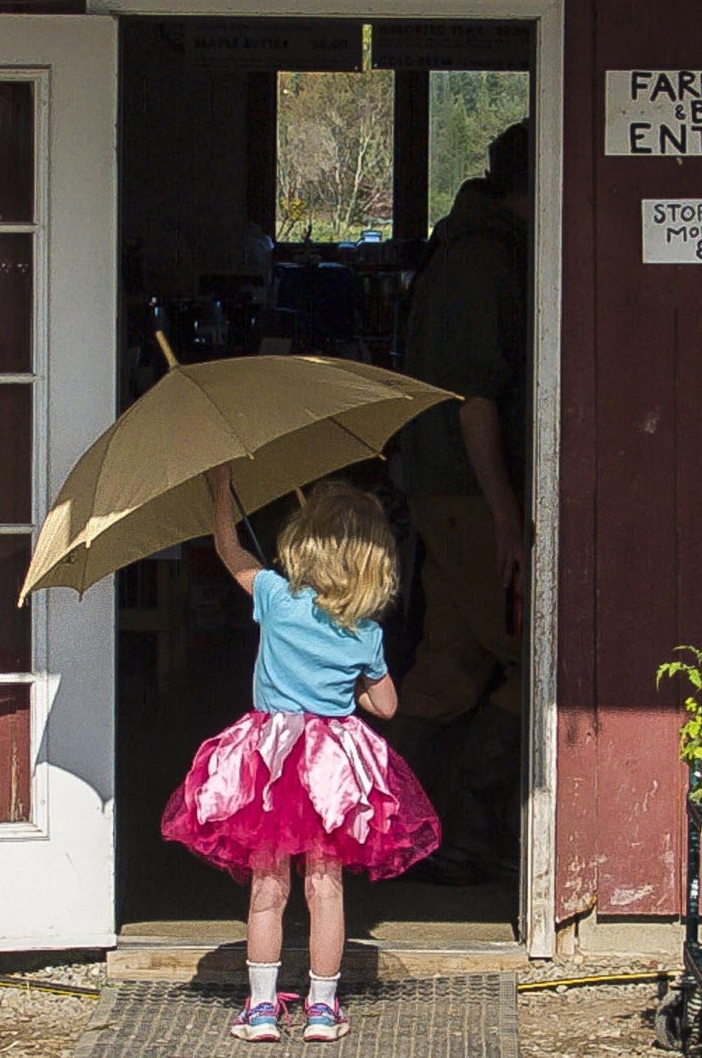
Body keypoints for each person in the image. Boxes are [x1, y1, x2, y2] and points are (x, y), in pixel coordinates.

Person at [163, 468, 441, 1044]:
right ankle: (321, 1008)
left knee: (268, 888)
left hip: (269, 762)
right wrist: (355, 686)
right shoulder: (364, 632)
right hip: (330, 770)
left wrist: (222, 490)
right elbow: (386, 707)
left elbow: (228, 548)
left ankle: (262, 1010)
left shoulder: (274, 596)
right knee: (325, 886)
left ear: (303, 543)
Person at [386, 119, 530, 884]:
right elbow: (477, 399)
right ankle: (468, 833)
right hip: (470, 497)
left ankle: (389, 827)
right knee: (531, 656)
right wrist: (506, 513)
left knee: (452, 661)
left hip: (442, 490)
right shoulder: (486, 260)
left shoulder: (461, 247)